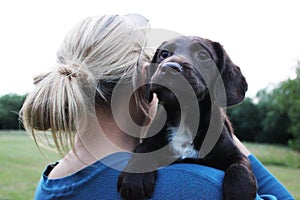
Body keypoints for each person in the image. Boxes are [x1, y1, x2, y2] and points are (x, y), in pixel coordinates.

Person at [21, 14, 294, 200]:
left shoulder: (50, 185)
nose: (173, 62)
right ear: (143, 77)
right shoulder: (196, 187)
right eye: (160, 56)